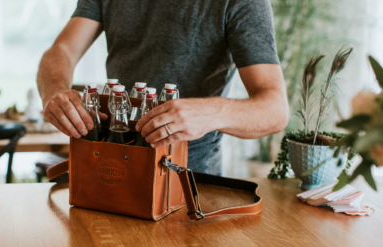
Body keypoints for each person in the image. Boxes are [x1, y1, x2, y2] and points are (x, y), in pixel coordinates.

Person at [37, 0, 289, 175]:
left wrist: (212, 113)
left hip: (191, 178)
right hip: (115, 167)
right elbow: (62, 50)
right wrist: (54, 92)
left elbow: (275, 110)